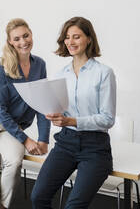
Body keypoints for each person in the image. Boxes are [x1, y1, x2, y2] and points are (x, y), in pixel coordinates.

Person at [31, 16, 116, 209]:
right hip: (66, 143)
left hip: (94, 148)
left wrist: (71, 121)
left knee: (74, 206)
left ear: (89, 39)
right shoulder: (61, 75)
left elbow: (107, 118)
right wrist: (52, 115)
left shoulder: (104, 73)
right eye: (67, 37)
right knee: (38, 197)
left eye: (76, 37)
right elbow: (59, 109)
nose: (70, 42)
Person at [0, 18, 50, 209]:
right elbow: (0, 111)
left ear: (31, 34)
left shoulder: (39, 65)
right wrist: (26, 140)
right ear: (10, 42)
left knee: (14, 163)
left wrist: (43, 139)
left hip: (11, 127)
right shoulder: (1, 68)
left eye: (26, 35)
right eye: (17, 39)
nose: (23, 42)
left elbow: (42, 104)